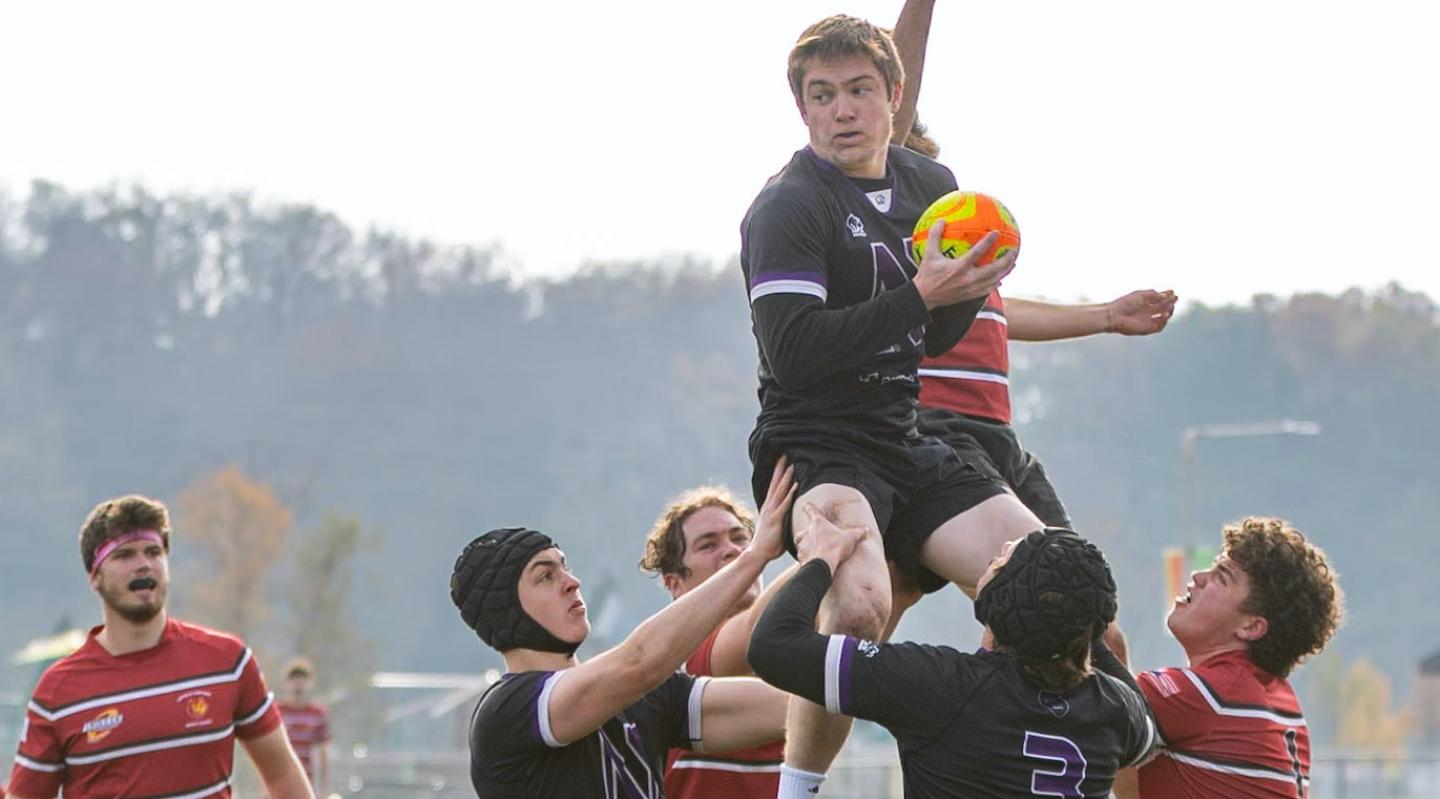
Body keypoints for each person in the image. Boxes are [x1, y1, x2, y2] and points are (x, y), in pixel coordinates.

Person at [741, 15, 1053, 794]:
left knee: (1049, 586)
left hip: (903, 433)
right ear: (803, 110)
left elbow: (936, 336)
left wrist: (966, 287)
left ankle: (1007, 768)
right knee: (859, 609)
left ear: (894, 97)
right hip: (815, 442)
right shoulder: (787, 204)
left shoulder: (931, 188)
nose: (841, 111)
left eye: (857, 91)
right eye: (822, 96)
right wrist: (921, 292)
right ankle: (799, 789)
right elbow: (795, 352)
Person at [887, 0, 1178, 533]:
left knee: (1063, 583)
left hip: (995, 430)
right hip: (935, 430)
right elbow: (892, 102)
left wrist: (1108, 315)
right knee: (1020, 568)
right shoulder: (884, 225)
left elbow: (997, 313)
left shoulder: (948, 237)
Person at [451, 460, 853, 798]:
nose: (571, 582)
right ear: (507, 611)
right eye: (545, 576)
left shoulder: (654, 698)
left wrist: (863, 537)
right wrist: (766, 556)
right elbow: (638, 662)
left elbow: (811, 700)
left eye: (565, 567)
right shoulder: (508, 712)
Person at [749, 518, 1156, 797]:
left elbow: (772, 646)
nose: (991, 556)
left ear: (1000, 599)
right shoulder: (1112, 710)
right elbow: (1145, 724)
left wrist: (821, 557)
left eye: (1001, 560)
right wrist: (1079, 614)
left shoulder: (941, 685)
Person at [6, 495, 312, 799]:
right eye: (124, 555)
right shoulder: (57, 691)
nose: (144, 565)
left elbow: (283, 774)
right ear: (95, 577)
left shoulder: (227, 662)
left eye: (153, 552)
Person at [1118, 517, 1343, 798]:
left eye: (1221, 577)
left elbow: (1097, 706)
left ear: (1251, 627)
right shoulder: (1280, 705)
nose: (1198, 577)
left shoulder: (1214, 695)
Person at [638, 486, 798, 797]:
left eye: (740, 539)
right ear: (676, 584)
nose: (732, 550)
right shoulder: (682, 656)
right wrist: (829, 543)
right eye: (708, 545)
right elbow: (756, 632)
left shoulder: (792, 648)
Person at [277, 658, 331, 796]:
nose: (298, 686)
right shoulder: (276, 712)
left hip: (306, 782)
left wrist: (323, 790)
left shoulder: (317, 714)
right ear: (286, 683)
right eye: (294, 681)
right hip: (279, 782)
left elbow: (323, 755)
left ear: (310, 683)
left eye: (302, 681)